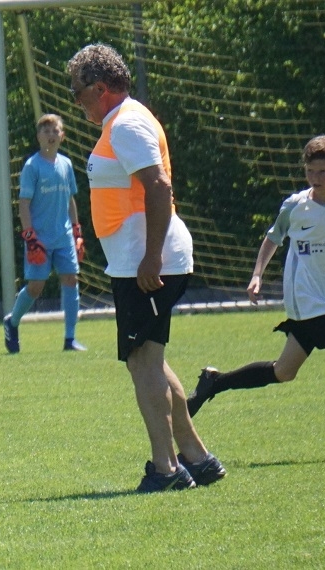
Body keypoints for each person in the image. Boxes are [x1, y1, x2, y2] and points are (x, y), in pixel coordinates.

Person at [67, 43, 225, 492]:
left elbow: (158, 187)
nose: (76, 102)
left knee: (143, 362)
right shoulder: (123, 121)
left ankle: (166, 469)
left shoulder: (127, 124)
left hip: (148, 262)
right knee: (150, 359)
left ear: (100, 87)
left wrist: (151, 256)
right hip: (140, 260)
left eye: (78, 92)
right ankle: (198, 458)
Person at [187, 135, 325, 458]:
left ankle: (214, 381)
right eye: (310, 171)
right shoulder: (296, 206)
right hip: (305, 298)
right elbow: (273, 238)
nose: (315, 178)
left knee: (284, 371)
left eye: (323, 172)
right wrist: (257, 274)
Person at [3, 113, 87, 354]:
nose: (51, 135)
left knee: (70, 279)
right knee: (36, 287)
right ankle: (12, 321)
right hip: (39, 239)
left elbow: (70, 199)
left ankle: (70, 339)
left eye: (55, 131)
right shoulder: (32, 166)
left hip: (63, 237)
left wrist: (76, 230)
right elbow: (24, 203)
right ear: (38, 136)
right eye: (46, 131)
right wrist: (30, 236)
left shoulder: (66, 164)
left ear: (62, 136)